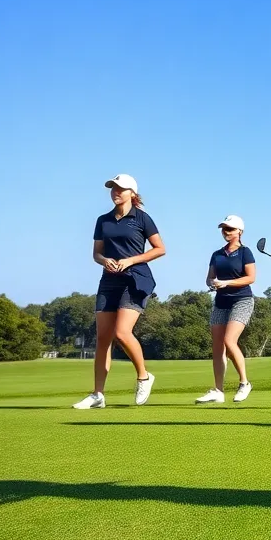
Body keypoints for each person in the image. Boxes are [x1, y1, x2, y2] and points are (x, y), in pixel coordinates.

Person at [74, 174, 166, 409]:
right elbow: (96, 253)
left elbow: (159, 249)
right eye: (113, 188)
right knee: (103, 338)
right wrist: (104, 260)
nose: (116, 192)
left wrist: (130, 260)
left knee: (122, 332)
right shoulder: (102, 220)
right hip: (109, 280)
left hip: (135, 279)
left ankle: (144, 376)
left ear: (132, 194)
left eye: (121, 189)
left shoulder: (142, 219)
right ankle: (98, 395)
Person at [197, 215, 256, 404]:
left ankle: (244, 383)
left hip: (242, 300)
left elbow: (250, 278)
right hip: (221, 301)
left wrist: (228, 282)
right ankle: (218, 391)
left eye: (230, 229)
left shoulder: (245, 252)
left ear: (239, 231)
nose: (226, 232)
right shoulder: (217, 254)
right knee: (217, 347)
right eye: (224, 229)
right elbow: (209, 277)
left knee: (230, 341)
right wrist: (212, 283)